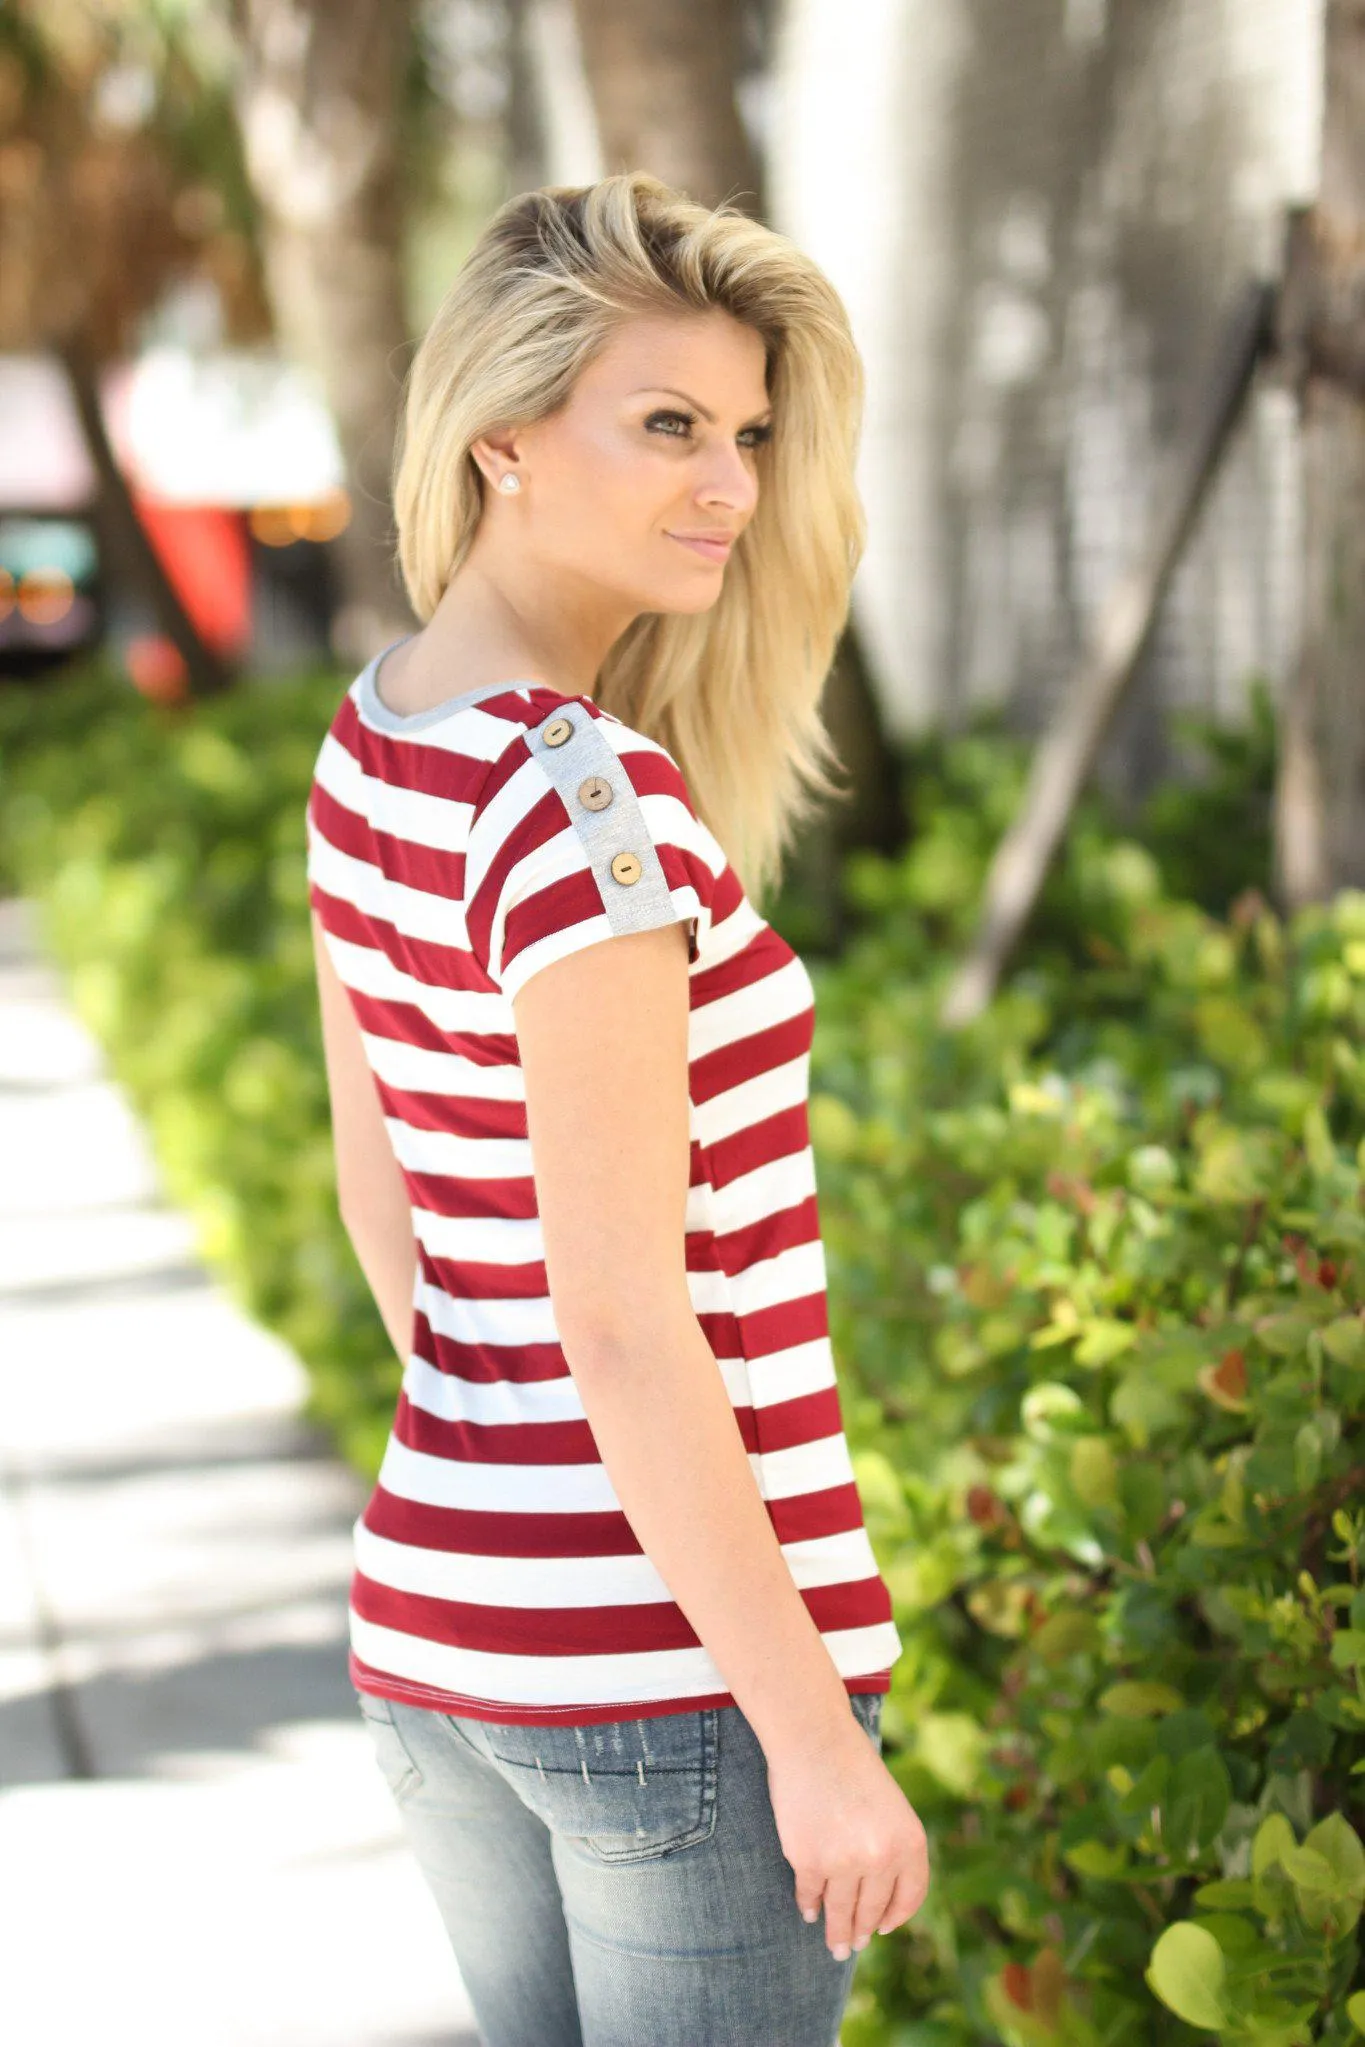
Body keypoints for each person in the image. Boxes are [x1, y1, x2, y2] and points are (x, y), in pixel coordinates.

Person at [304, 170, 930, 2047]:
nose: (731, 482)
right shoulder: (585, 808)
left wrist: (511, 1499)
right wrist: (815, 1745)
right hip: (674, 1686)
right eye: (667, 425)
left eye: (745, 431)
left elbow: (383, 1206)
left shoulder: (382, 726)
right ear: (502, 442)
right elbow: (624, 1324)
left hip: (442, 1632)